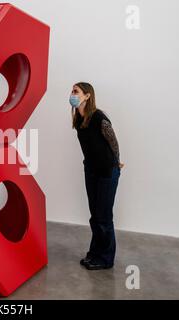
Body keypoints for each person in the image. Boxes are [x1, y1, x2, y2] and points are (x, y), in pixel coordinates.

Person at [69, 82, 124, 270]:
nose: (72, 94)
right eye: (72, 91)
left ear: (87, 96)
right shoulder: (78, 118)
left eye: (76, 91)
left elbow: (113, 141)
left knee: (104, 217)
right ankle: (95, 253)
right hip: (91, 170)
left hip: (107, 171)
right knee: (95, 216)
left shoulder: (98, 117)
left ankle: (106, 258)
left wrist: (117, 161)